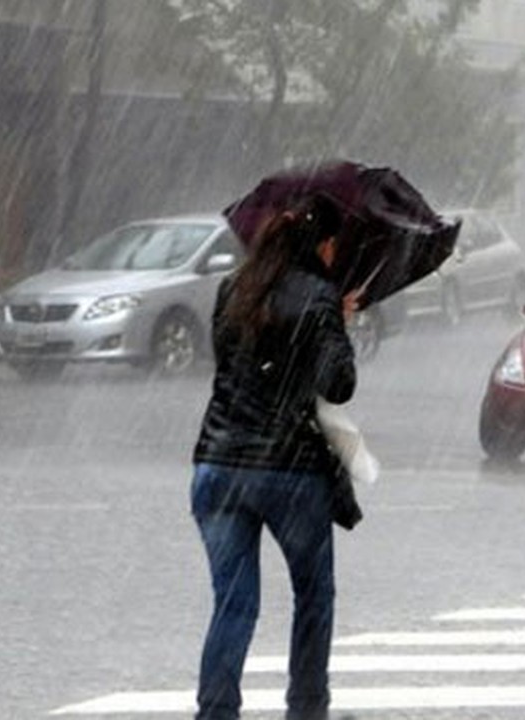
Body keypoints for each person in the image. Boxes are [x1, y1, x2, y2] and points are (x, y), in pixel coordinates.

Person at [190, 193, 361, 720]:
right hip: (289, 472)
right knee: (313, 596)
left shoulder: (232, 289)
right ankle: (306, 708)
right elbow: (339, 384)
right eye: (336, 245)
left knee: (234, 602)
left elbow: (233, 365)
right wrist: (337, 322)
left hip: (218, 465)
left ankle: (216, 712)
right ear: (325, 245)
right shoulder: (318, 296)